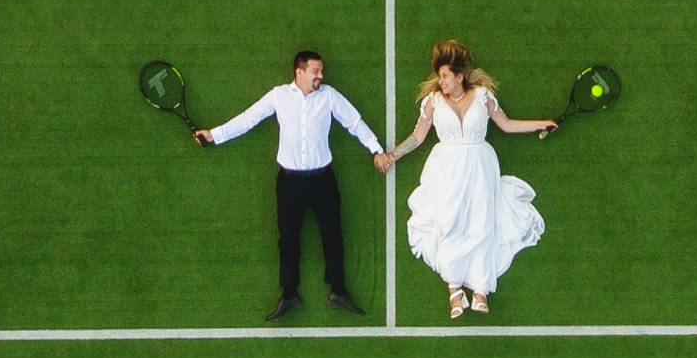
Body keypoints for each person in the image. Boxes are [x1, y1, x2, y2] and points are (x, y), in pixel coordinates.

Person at [195, 50, 386, 320]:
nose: (321, 76)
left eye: (321, 71)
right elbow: (248, 118)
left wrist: (376, 150)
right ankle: (289, 295)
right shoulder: (278, 96)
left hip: (322, 180)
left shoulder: (329, 96)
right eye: (316, 71)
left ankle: (338, 291)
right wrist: (214, 135)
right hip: (289, 183)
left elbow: (354, 122)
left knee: (332, 236)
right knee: (287, 239)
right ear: (299, 72)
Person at [376, 39, 559, 319]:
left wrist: (540, 123)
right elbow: (418, 136)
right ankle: (454, 289)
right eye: (440, 76)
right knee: (449, 222)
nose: (441, 81)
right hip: (446, 167)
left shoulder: (483, 97)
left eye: (445, 76)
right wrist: (393, 155)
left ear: (459, 77)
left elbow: (506, 124)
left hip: (480, 165)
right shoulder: (433, 102)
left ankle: (481, 291)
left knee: (481, 223)